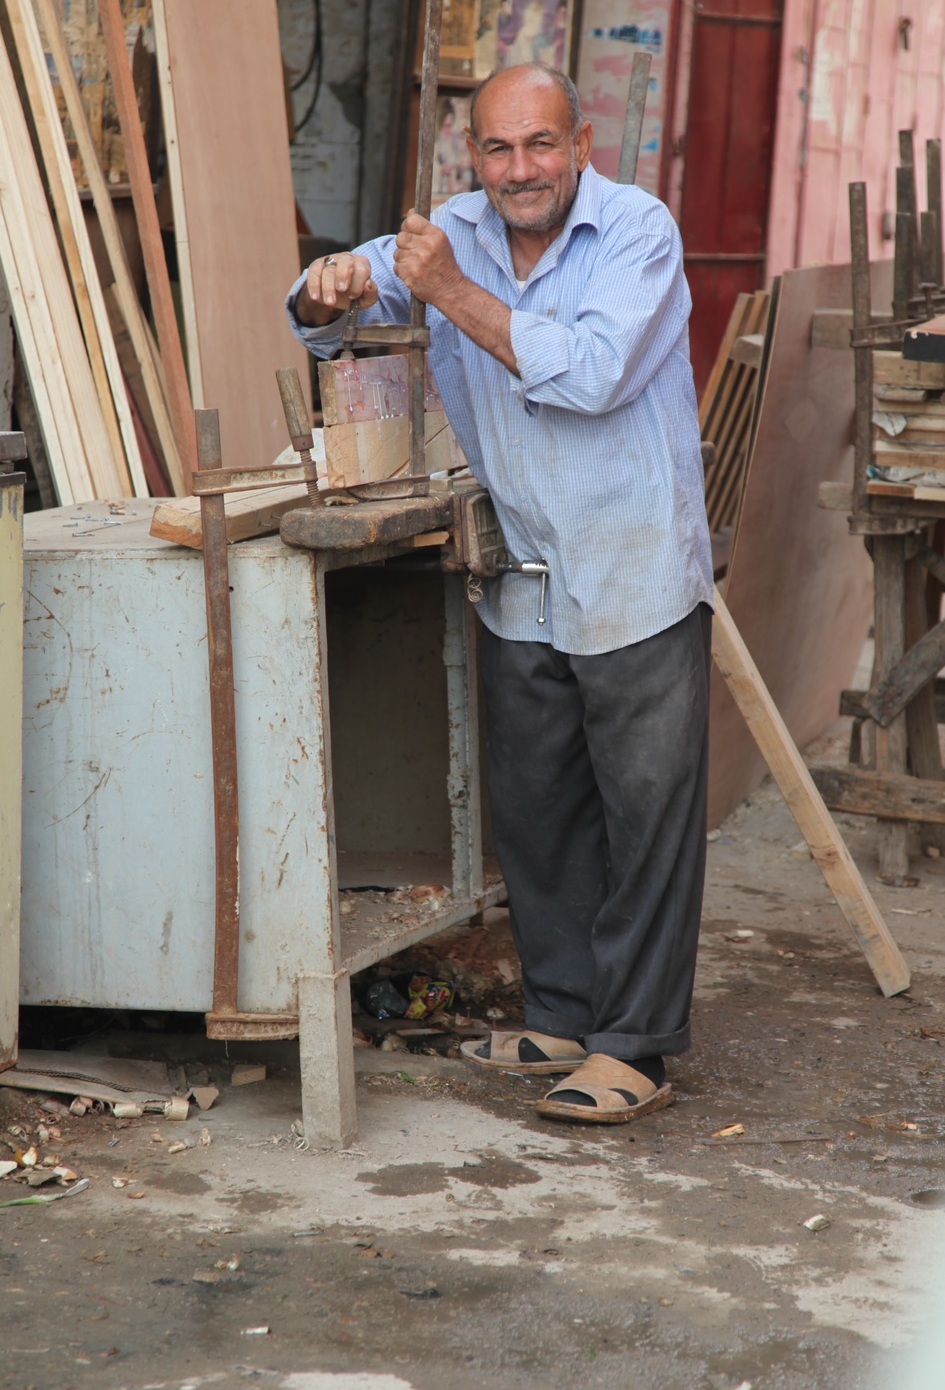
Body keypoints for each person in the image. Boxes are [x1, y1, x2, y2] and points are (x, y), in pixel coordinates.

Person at [286, 63, 714, 1126]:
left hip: (631, 569)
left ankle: (635, 1047)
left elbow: (590, 373)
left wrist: (444, 293)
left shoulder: (636, 235)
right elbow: (323, 313)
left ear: (578, 144)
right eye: (496, 149)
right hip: (520, 572)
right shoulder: (455, 234)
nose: (519, 170)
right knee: (540, 815)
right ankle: (562, 1016)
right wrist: (324, 286)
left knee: (644, 817)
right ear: (467, 155)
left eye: (540, 145)